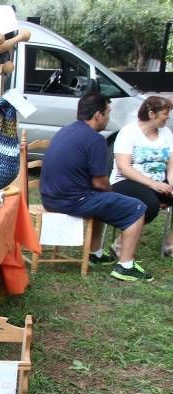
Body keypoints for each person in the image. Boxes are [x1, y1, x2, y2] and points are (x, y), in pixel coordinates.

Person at [39, 92, 152, 282]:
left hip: (49, 198)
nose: (109, 118)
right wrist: (112, 194)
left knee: (101, 200)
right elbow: (100, 182)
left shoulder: (65, 130)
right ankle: (125, 266)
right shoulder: (95, 139)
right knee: (137, 208)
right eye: (107, 113)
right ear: (98, 115)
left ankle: (95, 253)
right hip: (71, 201)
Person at [110, 95, 173, 256]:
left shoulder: (166, 133)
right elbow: (124, 168)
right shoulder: (129, 132)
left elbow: (171, 164)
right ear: (152, 113)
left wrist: (171, 182)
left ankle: (170, 244)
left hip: (159, 182)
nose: (169, 116)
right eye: (166, 113)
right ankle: (120, 244)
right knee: (149, 204)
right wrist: (153, 184)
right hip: (127, 181)